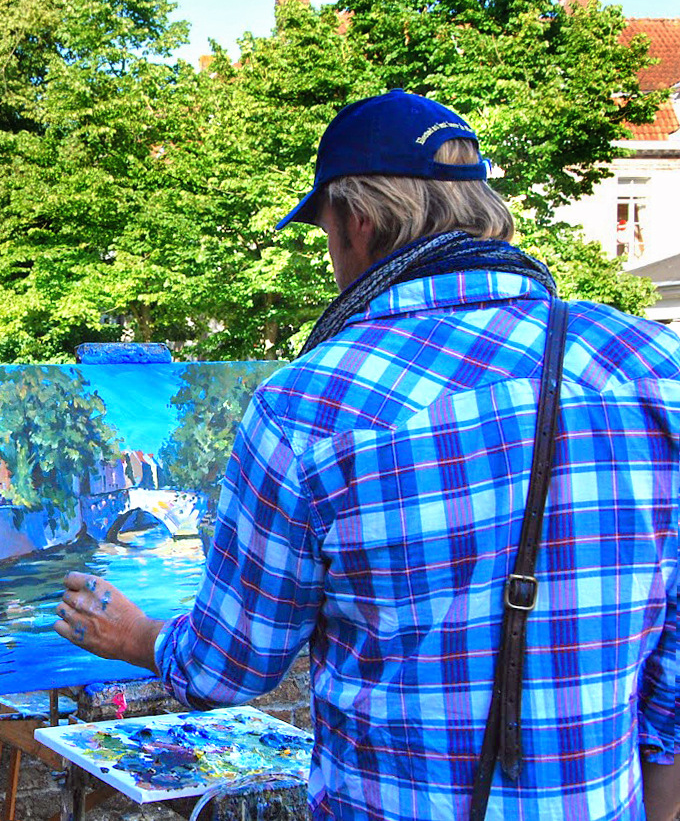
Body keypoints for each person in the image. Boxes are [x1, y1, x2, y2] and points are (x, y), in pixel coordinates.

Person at [54, 90, 680, 820]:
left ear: (358, 220)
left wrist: (143, 637)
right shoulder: (656, 369)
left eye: (324, 233)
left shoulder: (306, 407)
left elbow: (229, 668)